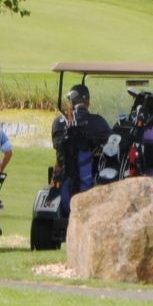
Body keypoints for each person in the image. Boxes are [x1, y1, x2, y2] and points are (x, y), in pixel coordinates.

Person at [50, 83, 110, 225]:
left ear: (71, 102)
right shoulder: (98, 122)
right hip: (90, 176)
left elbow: (57, 146)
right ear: (87, 101)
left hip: (63, 174)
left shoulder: (58, 122)